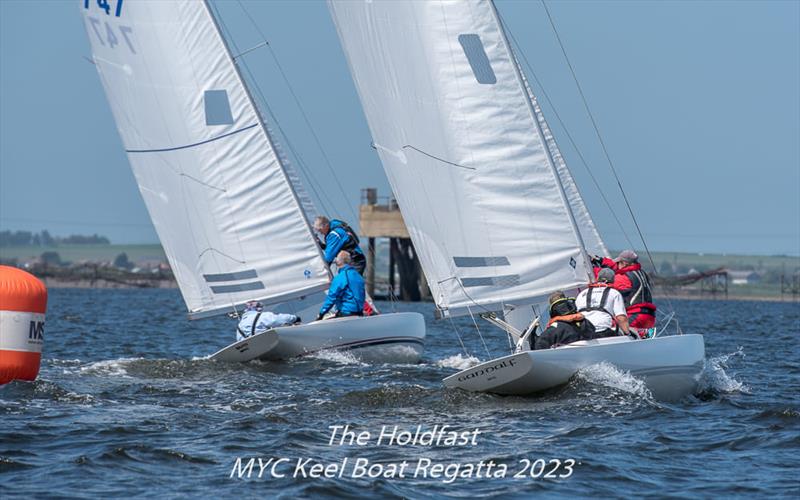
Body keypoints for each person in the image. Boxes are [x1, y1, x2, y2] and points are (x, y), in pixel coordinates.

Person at [592, 250, 657, 331]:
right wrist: (602, 261)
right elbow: (616, 267)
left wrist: (593, 270)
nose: (617, 265)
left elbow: (605, 281)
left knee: (605, 327)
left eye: (618, 262)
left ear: (624, 263)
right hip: (650, 317)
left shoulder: (624, 278)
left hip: (635, 316)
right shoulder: (641, 273)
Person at [575, 268, 633, 338]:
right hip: (603, 331)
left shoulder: (582, 293)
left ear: (597, 278)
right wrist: (628, 334)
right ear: (613, 280)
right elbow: (621, 318)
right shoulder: (614, 293)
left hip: (583, 332)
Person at [316, 251, 365, 320]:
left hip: (346, 314)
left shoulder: (341, 277)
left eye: (336, 259)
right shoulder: (358, 275)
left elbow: (331, 297)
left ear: (338, 262)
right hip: (359, 314)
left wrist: (321, 314)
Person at [236, 301, 301, 342]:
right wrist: (295, 318)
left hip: (247, 348)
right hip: (263, 343)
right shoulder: (263, 316)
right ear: (258, 308)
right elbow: (280, 319)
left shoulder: (241, 323)